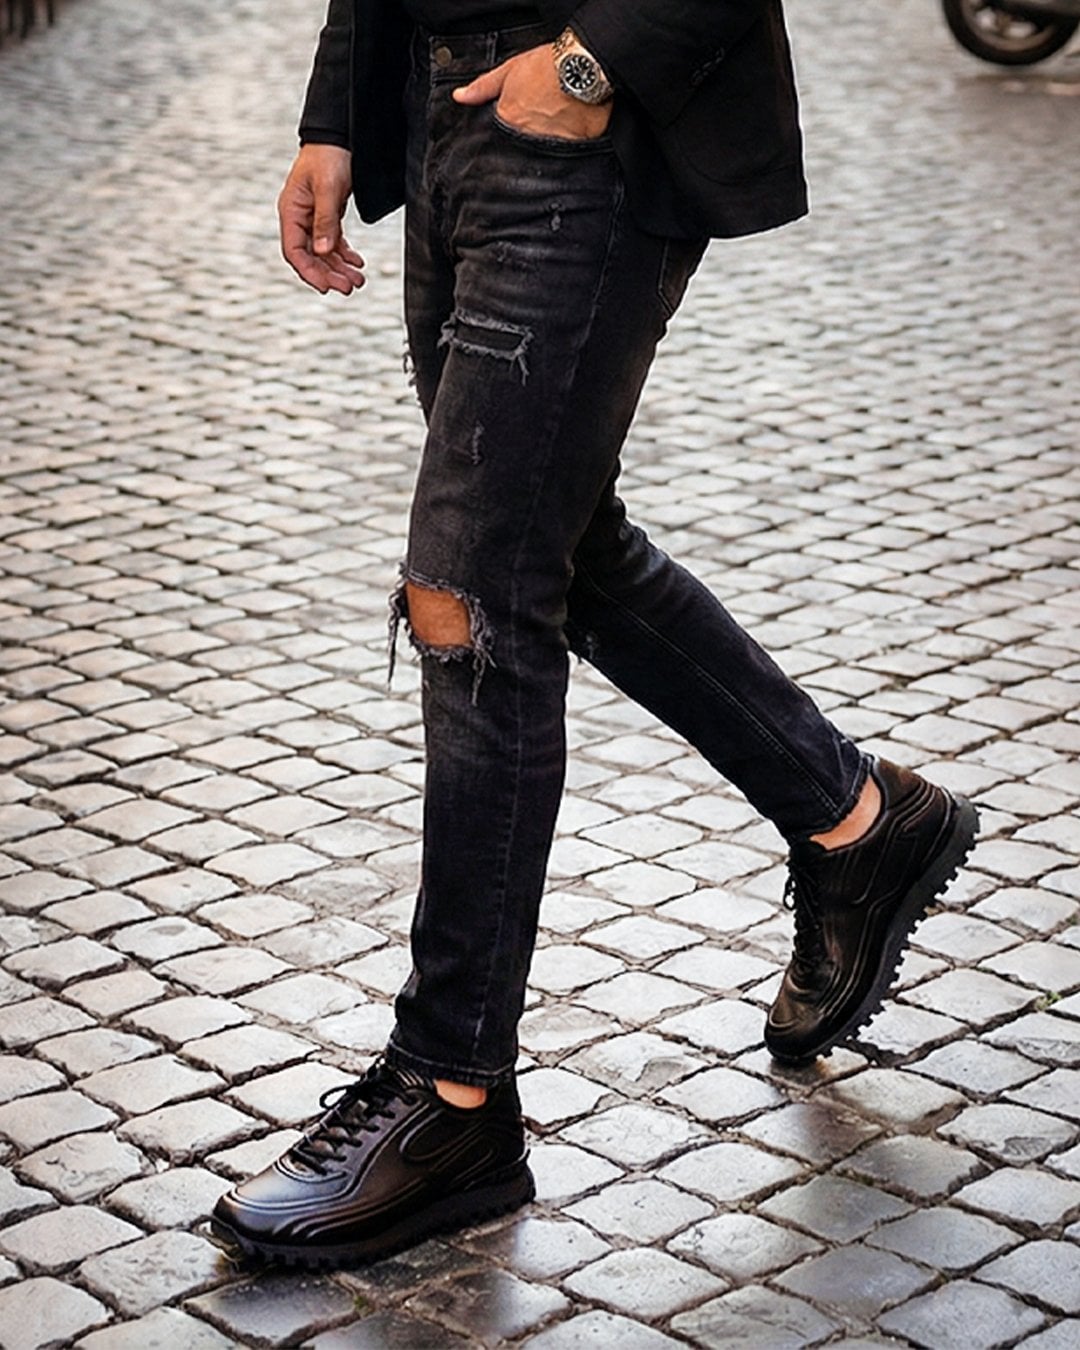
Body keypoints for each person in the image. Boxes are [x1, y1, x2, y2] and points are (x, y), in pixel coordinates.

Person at [211, 0, 978, 1270]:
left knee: (467, 593)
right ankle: (858, 818)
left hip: (578, 124)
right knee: (551, 542)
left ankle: (453, 1090)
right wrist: (336, 113)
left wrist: (589, 64)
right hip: (447, 109)